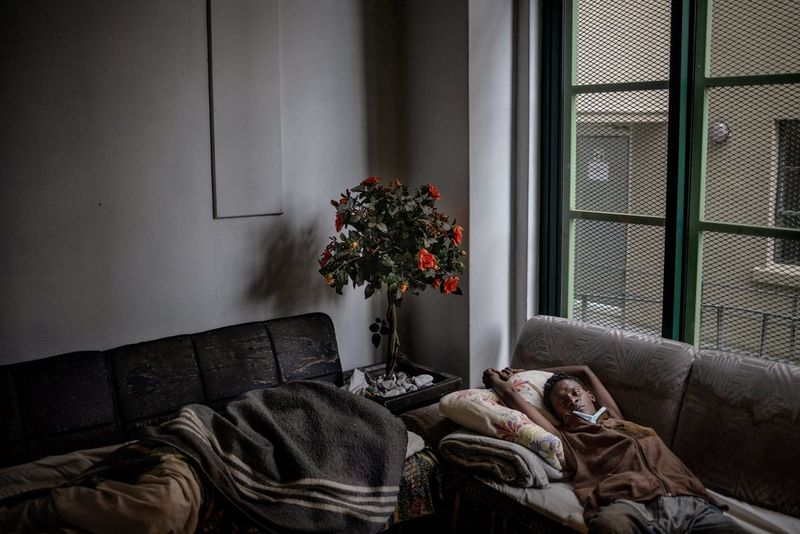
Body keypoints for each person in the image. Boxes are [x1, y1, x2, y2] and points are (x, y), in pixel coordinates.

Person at [482, 365, 745, 534]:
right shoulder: (566, 438)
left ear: (590, 396)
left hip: (690, 502)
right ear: (559, 415)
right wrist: (497, 380)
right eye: (562, 401)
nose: (571, 400)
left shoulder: (617, 418)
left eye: (575, 393)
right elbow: (513, 396)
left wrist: (531, 370)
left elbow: (584, 370)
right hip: (629, 507)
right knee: (609, 527)